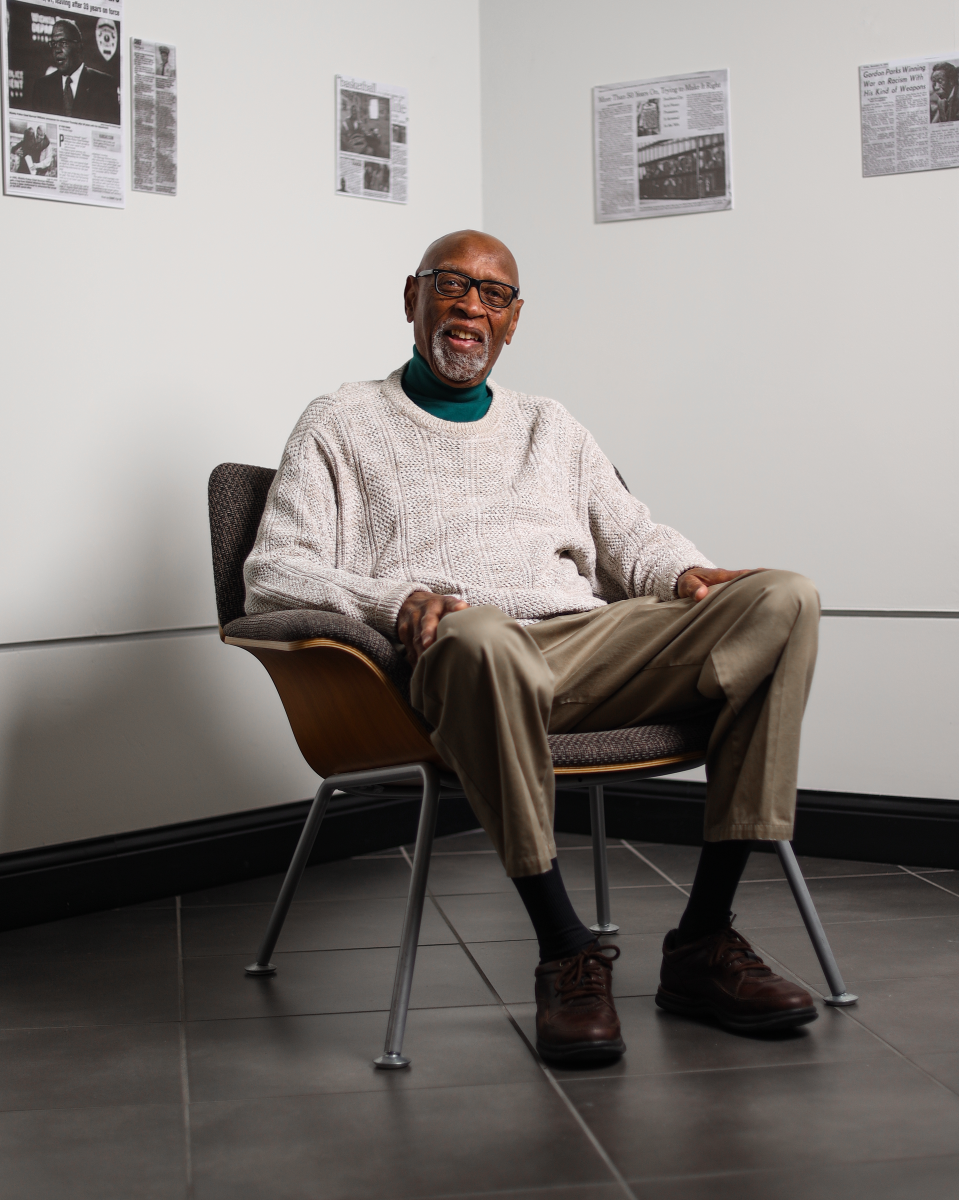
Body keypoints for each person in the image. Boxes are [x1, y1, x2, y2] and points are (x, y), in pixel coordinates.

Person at [244, 230, 821, 1065]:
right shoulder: (340, 421)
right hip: (459, 658)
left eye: (494, 296)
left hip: (585, 645)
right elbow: (275, 570)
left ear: (513, 323)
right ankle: (563, 947)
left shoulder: (551, 425)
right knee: (482, 633)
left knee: (782, 598)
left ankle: (701, 941)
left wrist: (689, 573)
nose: (471, 309)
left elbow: (631, 541)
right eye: (452, 286)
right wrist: (396, 597)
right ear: (411, 297)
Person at [31, 19, 120, 125]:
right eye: (54, 44)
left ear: (79, 47)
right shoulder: (42, 87)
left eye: (63, 43)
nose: (57, 50)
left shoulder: (104, 85)